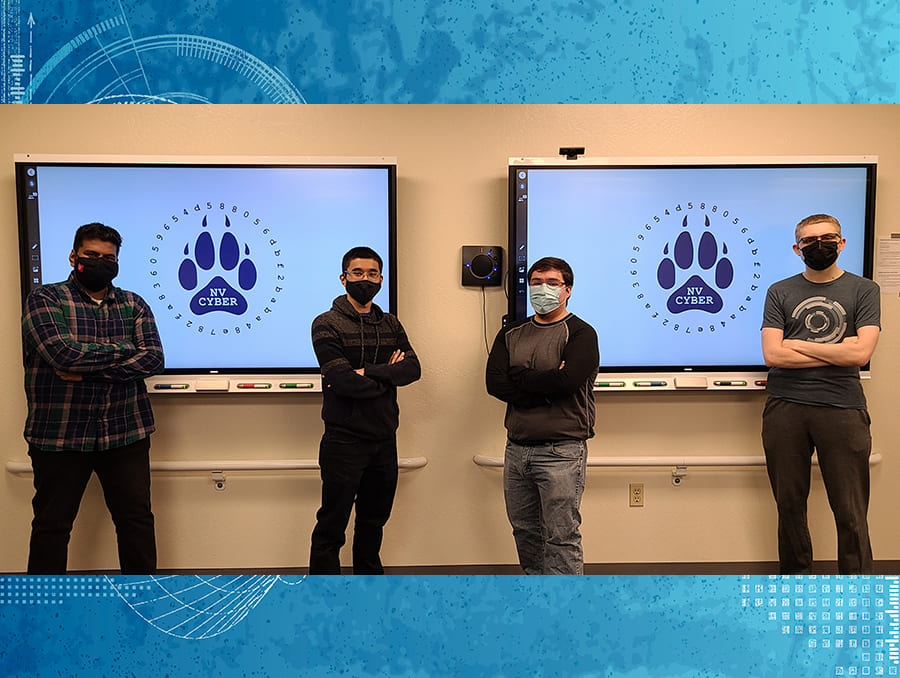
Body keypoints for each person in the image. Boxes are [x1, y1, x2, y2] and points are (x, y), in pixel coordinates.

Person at [22, 222, 165, 574]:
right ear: (74, 257)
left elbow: (153, 358)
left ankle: (142, 606)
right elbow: (62, 355)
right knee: (52, 527)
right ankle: (42, 613)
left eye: (109, 257)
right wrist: (124, 351)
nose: (101, 262)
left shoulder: (134, 304)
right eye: (91, 255)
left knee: (136, 523)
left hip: (126, 431)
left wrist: (93, 370)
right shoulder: (44, 299)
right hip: (60, 435)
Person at [761, 213, 880, 574]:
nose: (819, 246)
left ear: (842, 243)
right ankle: (797, 590)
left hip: (843, 408)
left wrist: (798, 343)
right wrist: (837, 350)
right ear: (797, 249)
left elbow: (861, 354)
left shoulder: (864, 290)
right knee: (790, 507)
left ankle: (858, 596)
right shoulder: (780, 291)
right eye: (809, 242)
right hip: (785, 409)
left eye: (827, 238)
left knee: (850, 510)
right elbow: (772, 355)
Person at [308, 246, 421, 574]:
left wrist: (367, 372)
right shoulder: (325, 324)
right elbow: (341, 381)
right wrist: (387, 374)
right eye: (357, 273)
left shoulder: (391, 324)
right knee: (332, 526)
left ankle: (369, 596)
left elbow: (413, 369)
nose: (365, 279)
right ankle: (324, 599)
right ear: (343, 278)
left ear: (381, 280)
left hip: (384, 440)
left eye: (372, 274)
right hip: (343, 442)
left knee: (373, 524)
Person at [485, 256, 599, 574]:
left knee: (561, 537)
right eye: (536, 282)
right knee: (526, 533)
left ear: (568, 290)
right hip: (517, 449)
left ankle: (563, 614)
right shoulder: (511, 332)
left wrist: (519, 376)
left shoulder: (580, 334)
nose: (542, 289)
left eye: (552, 283)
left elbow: (567, 383)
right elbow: (494, 383)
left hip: (561, 451)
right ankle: (537, 606)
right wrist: (544, 385)